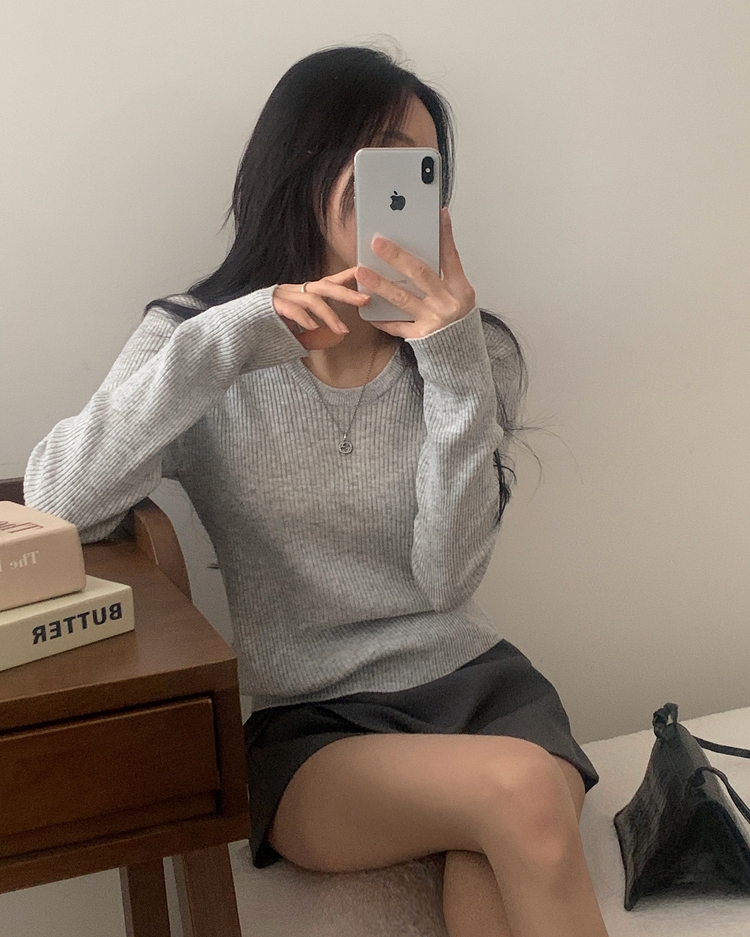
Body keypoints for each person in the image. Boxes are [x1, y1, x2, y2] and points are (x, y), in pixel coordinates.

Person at [24, 45, 609, 937]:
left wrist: (451, 360)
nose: (402, 192)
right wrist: (231, 341)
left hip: (484, 689)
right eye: (379, 160)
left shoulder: (468, 351)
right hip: (314, 724)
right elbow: (57, 500)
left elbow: (446, 580)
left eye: (422, 171)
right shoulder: (201, 343)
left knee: (498, 841)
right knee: (521, 791)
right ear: (304, 167)